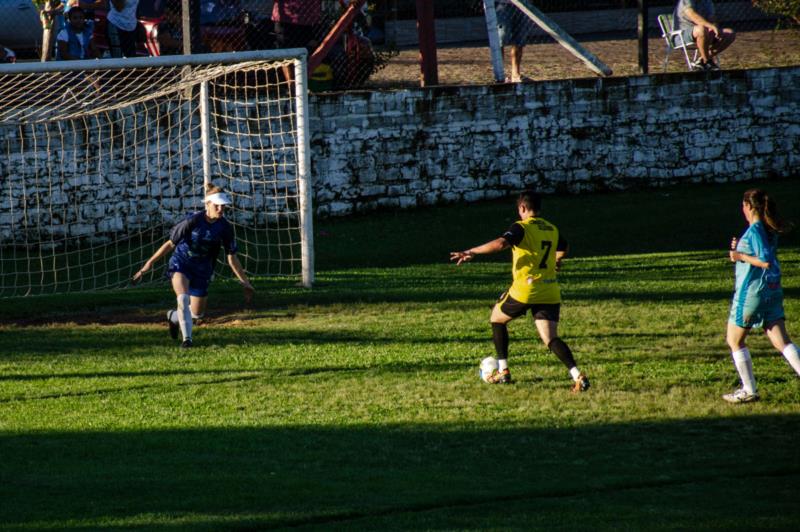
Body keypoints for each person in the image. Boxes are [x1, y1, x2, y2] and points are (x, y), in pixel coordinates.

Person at [450, 191, 590, 392]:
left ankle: (503, 370)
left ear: (522, 208)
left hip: (526, 289)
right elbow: (564, 247)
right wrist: (557, 260)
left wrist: (471, 252)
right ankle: (578, 375)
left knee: (497, 319)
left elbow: (500, 244)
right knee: (550, 338)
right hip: (549, 290)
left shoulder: (521, 227)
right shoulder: (551, 228)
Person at [132, 183, 255, 348]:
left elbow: (232, 258)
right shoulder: (192, 220)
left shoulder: (225, 227)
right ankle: (187, 341)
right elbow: (170, 244)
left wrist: (245, 282)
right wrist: (148, 264)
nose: (220, 209)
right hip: (181, 263)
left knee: (197, 314)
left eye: (223, 206)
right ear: (208, 204)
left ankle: (174, 317)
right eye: (217, 205)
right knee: (182, 298)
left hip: (203, 270)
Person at [723, 189, 799, 403]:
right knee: (782, 341)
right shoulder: (766, 229)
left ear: (748, 206)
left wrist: (740, 255)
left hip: (752, 293)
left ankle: (749, 390)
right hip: (771, 291)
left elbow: (764, 260)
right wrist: (738, 250)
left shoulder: (756, 230)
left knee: (734, 340)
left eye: (743, 206)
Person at [673, 0, 735, 71]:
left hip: (704, 33)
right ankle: (707, 62)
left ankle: (702, 61)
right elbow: (692, 15)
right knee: (701, 29)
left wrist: (714, 27)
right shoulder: (686, 1)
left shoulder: (707, 1)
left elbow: (712, 18)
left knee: (730, 33)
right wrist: (710, 26)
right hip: (681, 36)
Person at [272, 0, 322, 82]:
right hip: (286, 18)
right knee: (286, 54)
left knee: (311, 52)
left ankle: (305, 86)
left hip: (309, 18)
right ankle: (292, 88)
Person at [495, 0, 533, 83]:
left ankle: (515, 74)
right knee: (500, 39)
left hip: (524, 4)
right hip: (502, 3)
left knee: (519, 39)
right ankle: (500, 75)